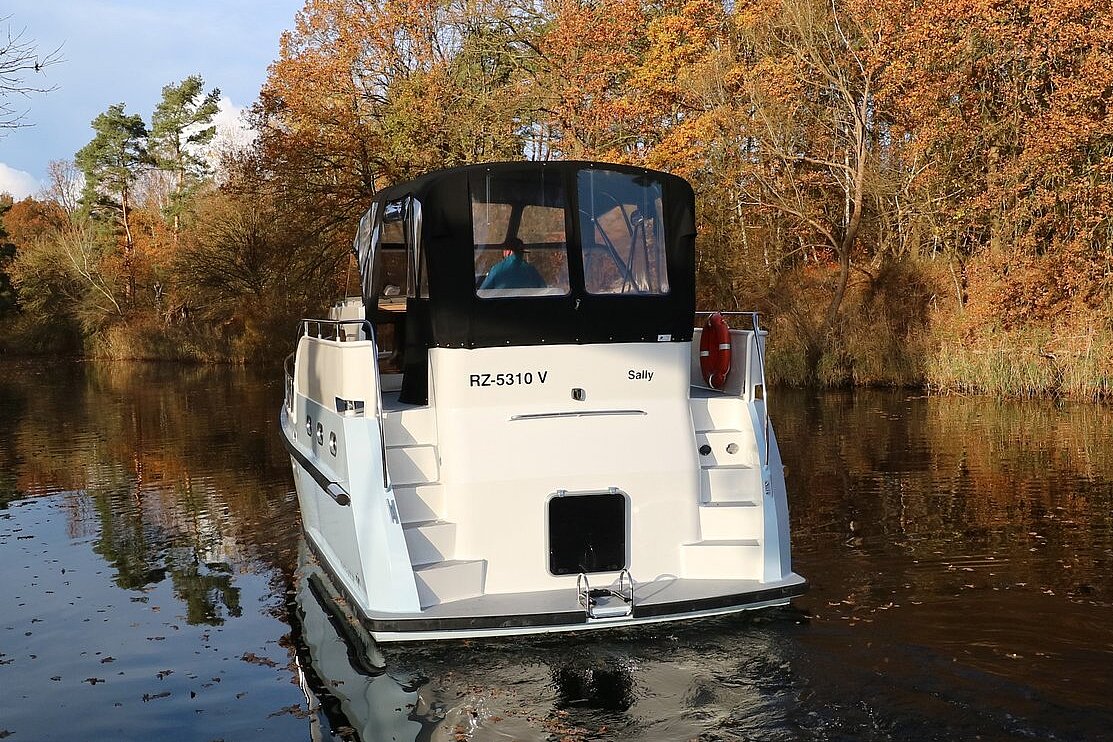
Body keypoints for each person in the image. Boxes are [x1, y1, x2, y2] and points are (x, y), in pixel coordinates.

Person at [480, 237, 546, 290]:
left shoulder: (497, 270)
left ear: (508, 251)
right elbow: (543, 289)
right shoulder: (532, 271)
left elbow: (483, 292)